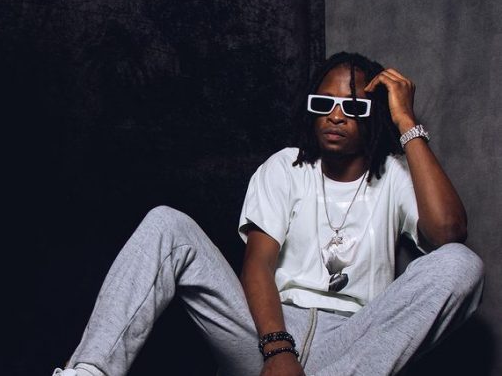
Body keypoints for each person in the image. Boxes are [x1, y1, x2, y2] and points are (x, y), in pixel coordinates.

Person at [52, 52, 484, 376]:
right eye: (323, 104)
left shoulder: (394, 175)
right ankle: (88, 372)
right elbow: (257, 264)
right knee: (166, 223)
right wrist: (278, 349)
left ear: (374, 117)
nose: (336, 116)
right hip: (266, 329)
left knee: (461, 263)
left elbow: (449, 231)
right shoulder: (286, 167)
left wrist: (405, 121)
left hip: (356, 342)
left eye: (353, 107)